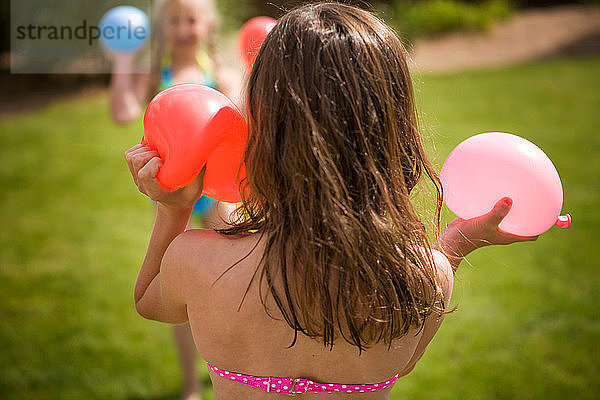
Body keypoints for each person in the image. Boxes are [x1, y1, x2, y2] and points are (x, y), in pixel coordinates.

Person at [124, 3, 539, 399]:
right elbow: (404, 360)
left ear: (263, 129)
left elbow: (150, 301)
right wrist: (456, 245)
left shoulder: (198, 261)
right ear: (394, 133)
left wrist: (174, 207)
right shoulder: (426, 279)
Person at [109, 1, 239, 399]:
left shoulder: (219, 74)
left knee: (230, 278)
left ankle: (235, 368)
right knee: (174, 287)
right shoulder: (152, 74)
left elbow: (237, 125)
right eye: (174, 21)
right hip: (174, 193)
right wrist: (122, 60)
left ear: (207, 26)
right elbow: (122, 112)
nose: (183, 28)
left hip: (218, 194)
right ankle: (189, 385)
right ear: (162, 28)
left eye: (191, 19)